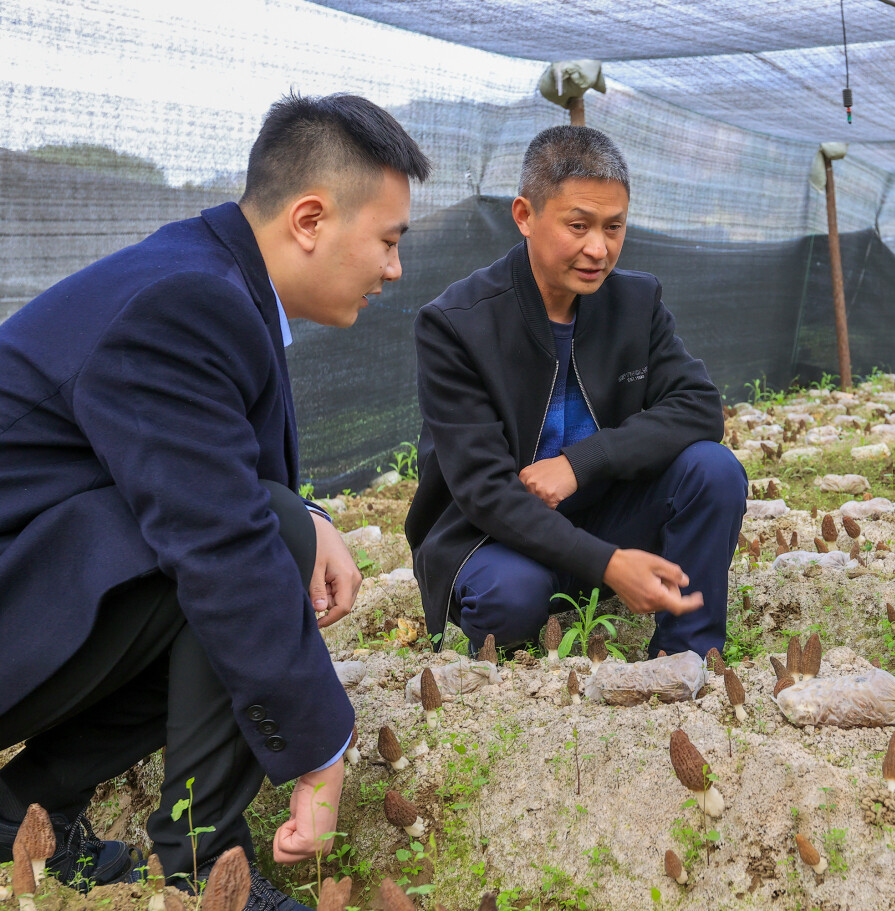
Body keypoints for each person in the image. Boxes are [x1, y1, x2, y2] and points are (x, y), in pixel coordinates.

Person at [0, 92, 429, 906]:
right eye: (388, 240)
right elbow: (224, 539)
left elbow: (217, 474)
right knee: (241, 554)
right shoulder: (187, 301)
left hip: (26, 581)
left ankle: (19, 812)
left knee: (264, 531)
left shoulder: (206, 279)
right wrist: (321, 743)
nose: (394, 268)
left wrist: (311, 516)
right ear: (310, 219)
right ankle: (204, 864)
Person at [405, 125, 747, 662]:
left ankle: (687, 654)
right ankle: (544, 614)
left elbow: (698, 405)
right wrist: (610, 563)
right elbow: (485, 491)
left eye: (614, 227)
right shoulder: (455, 325)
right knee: (509, 601)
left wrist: (580, 462)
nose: (598, 248)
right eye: (578, 225)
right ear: (524, 215)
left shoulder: (635, 302)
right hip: (495, 535)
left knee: (715, 470)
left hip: (600, 513)